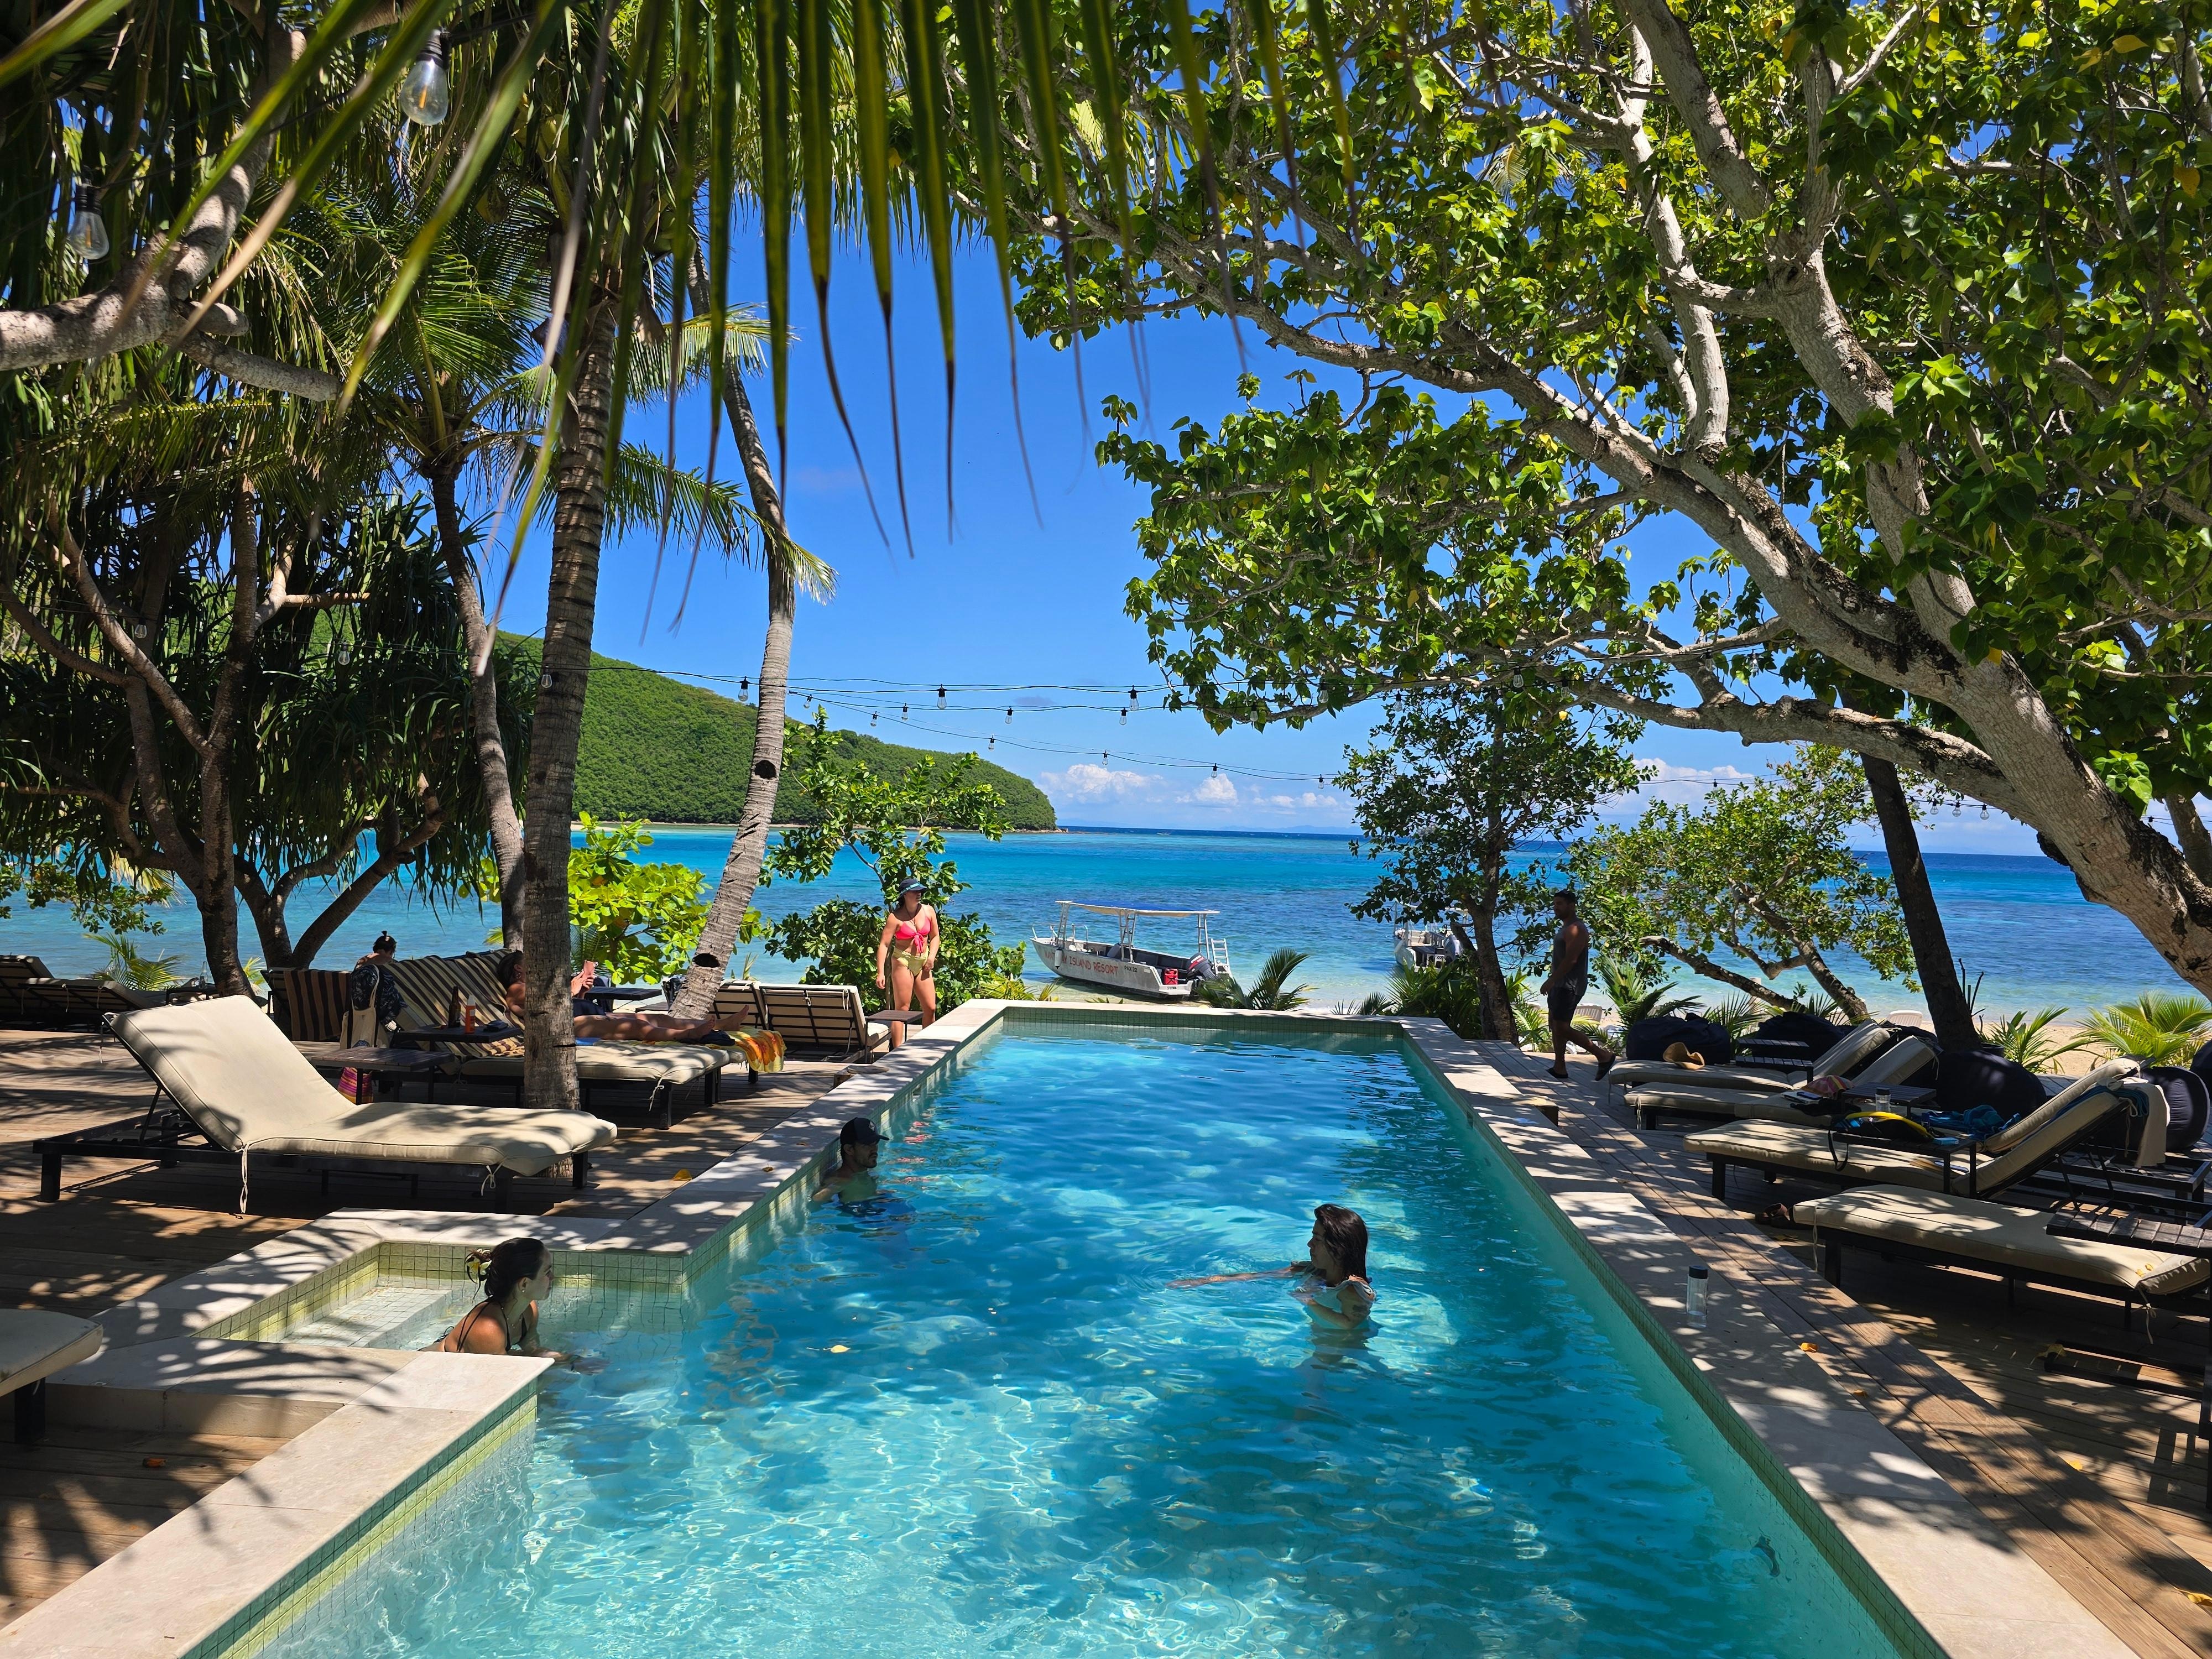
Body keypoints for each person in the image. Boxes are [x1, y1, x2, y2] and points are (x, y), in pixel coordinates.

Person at [495, 953, 784, 1071]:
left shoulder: (536, 985)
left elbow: (567, 1000)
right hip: (567, 1027)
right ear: (519, 970)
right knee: (634, 1028)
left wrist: (582, 989)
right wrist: (572, 988)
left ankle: (719, 1024)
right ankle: (691, 1035)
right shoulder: (517, 989)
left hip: (582, 1015)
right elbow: (542, 1009)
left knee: (654, 1017)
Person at [1171, 1203, 1378, 1330]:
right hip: (1320, 1335)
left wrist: (1308, 1301)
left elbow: (1349, 1324)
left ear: (1339, 1249)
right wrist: (1204, 1281)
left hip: (1341, 1348)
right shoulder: (1313, 1271)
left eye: (1317, 1239)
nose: (1309, 1244)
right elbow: (1259, 1276)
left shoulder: (1353, 1289)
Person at [436, 1237, 560, 1359]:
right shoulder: (488, 1330)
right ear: (524, 1284)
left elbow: (532, 1351)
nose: (553, 1277)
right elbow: (500, 1376)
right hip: (436, 1363)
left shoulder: (529, 1310)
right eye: (547, 1272)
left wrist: (569, 1360)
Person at [1540, 888, 1615, 1082]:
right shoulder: (1566, 927)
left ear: (1572, 906)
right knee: (1556, 1027)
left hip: (1569, 985)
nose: (1555, 908)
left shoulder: (1576, 929)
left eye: (1560, 904)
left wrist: (1551, 980)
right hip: (1561, 984)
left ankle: (1604, 1056)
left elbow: (1571, 960)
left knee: (1562, 1028)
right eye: (1554, 904)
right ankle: (1560, 1067)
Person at [873, 881, 940, 1050]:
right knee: (902, 1010)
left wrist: (931, 957)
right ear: (904, 895)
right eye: (915, 891)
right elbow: (884, 945)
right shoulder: (895, 917)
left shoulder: (928, 910)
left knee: (930, 1008)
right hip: (903, 961)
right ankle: (897, 1051)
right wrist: (880, 972)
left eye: (921, 891)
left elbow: (936, 937)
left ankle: (927, 1047)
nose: (919, 894)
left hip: (924, 961)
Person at [345, 931, 404, 1046]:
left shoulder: (362, 961)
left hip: (358, 1006)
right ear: (391, 951)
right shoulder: (390, 963)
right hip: (379, 1008)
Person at [813, 1117, 884, 1201]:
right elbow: (816, 1200)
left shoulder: (868, 1173)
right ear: (849, 1149)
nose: (874, 1149)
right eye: (867, 1145)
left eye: (875, 1143)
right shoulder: (838, 1181)